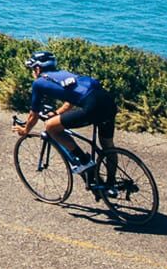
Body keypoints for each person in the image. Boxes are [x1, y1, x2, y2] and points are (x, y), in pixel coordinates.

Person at [13, 51, 118, 184]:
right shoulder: (65, 74)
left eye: (32, 69)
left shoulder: (39, 83)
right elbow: (72, 99)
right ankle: (111, 184)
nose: (32, 72)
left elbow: (34, 115)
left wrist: (25, 130)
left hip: (92, 106)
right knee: (108, 146)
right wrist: (58, 113)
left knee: (51, 126)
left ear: (38, 68)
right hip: (108, 102)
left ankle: (84, 161)